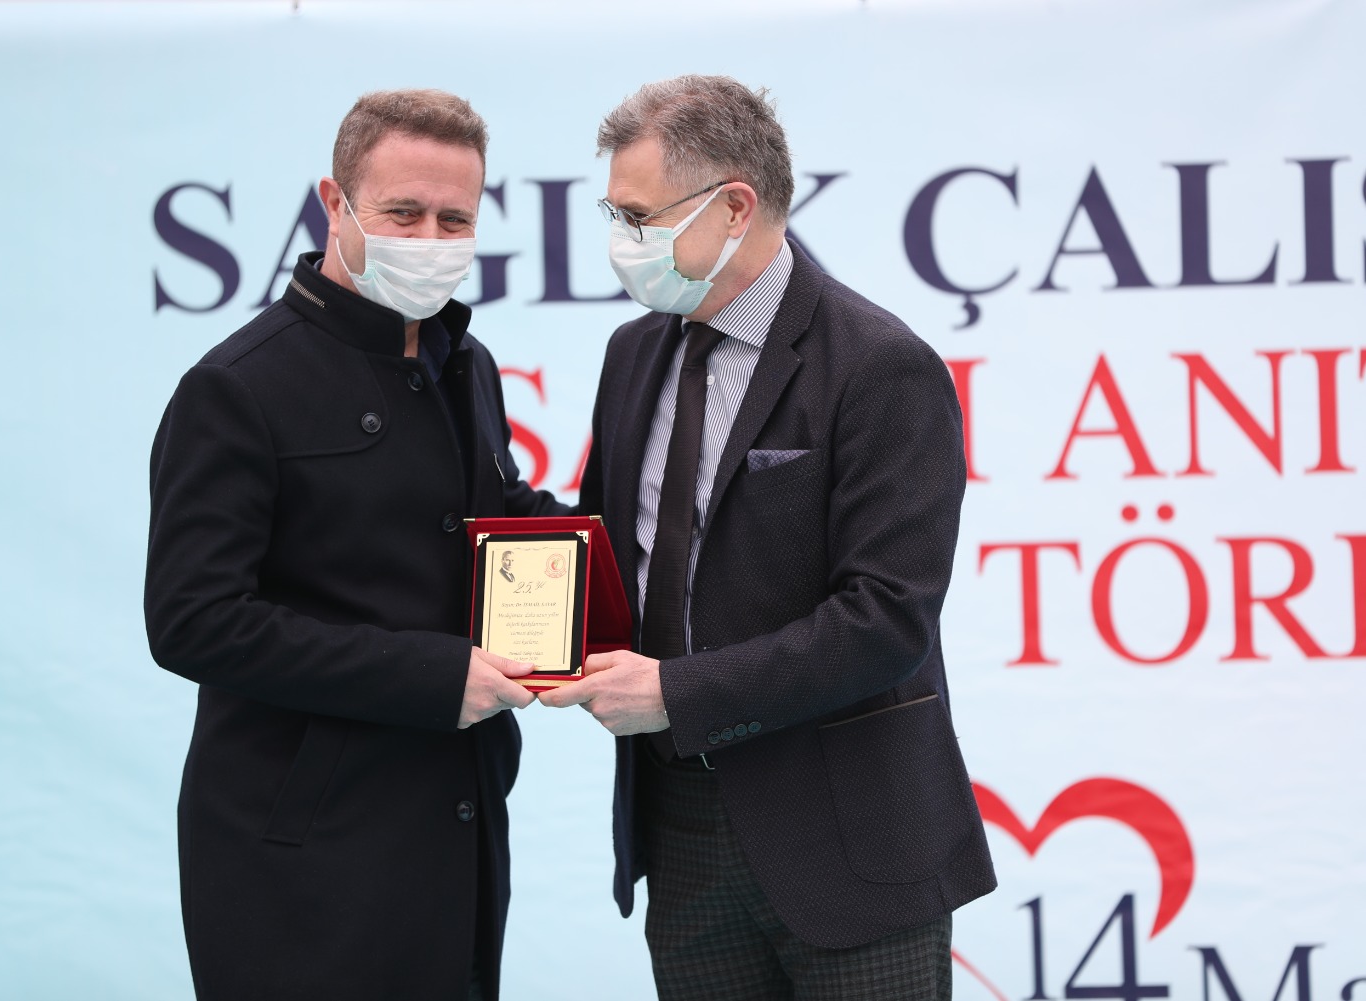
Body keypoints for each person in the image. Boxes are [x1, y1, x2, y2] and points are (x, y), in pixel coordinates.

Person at [541, 75, 996, 999]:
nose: (622, 241)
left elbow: (885, 619)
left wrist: (674, 691)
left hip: (850, 842)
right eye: (615, 214)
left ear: (734, 208)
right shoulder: (633, 353)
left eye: (639, 218)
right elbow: (612, 553)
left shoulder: (879, 364)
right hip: (680, 830)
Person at [144, 89, 565, 1001]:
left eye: (455, 218)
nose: (430, 238)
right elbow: (192, 620)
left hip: (456, 832)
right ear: (334, 204)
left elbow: (491, 515)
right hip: (301, 861)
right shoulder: (236, 387)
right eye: (403, 212)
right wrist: (431, 676)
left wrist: (618, 558)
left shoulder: (465, 363)